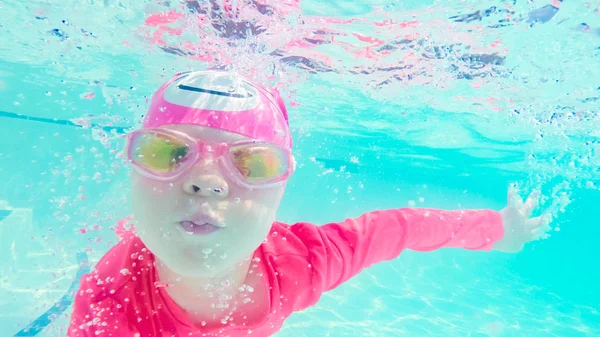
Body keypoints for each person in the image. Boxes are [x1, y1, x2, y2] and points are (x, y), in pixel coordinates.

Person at [67, 70, 549, 337]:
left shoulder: (301, 263)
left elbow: (397, 227)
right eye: (167, 153)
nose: (208, 182)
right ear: (131, 167)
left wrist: (496, 229)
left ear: (280, 190)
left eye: (251, 164)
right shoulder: (108, 309)